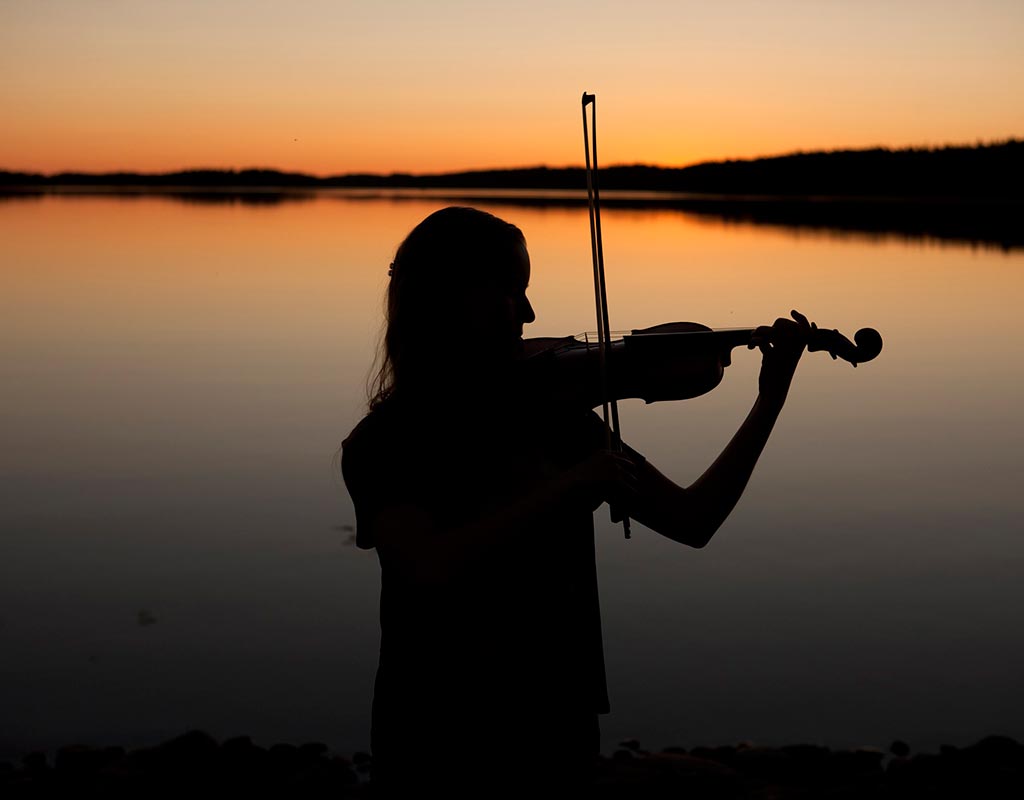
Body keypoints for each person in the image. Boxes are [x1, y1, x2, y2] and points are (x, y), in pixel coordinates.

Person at [341, 206, 809, 795]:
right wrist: (567, 490)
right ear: (453, 299)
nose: (530, 314)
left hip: (556, 716)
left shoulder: (559, 420)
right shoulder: (387, 443)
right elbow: (428, 567)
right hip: (436, 728)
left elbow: (694, 520)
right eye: (511, 292)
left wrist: (770, 400)